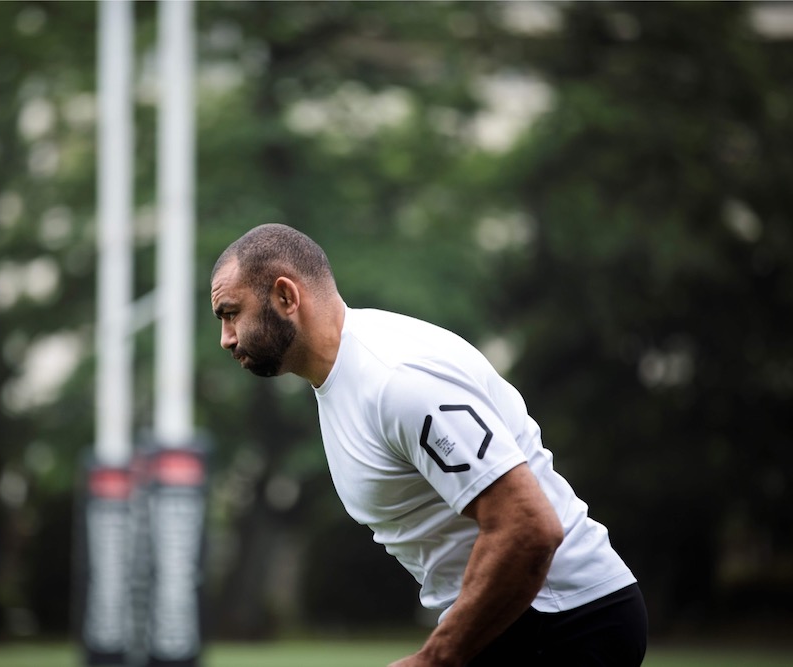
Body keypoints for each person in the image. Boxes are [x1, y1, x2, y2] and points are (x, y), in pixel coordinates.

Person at [210, 223, 648, 666]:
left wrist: (436, 658)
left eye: (231, 313)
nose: (226, 337)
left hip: (563, 621)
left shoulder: (398, 380)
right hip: (515, 621)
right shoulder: (342, 378)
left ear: (286, 297)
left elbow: (529, 527)